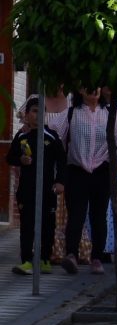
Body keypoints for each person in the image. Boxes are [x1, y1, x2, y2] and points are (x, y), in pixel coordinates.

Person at [60, 88, 117, 275]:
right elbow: (56, 137)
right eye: (88, 86)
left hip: (102, 171)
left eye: (97, 86)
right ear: (80, 90)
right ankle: (71, 254)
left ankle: (97, 257)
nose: (93, 90)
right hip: (76, 170)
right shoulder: (71, 113)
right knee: (76, 214)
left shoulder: (110, 115)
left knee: (99, 215)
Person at [8, 97, 66, 275]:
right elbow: (9, 157)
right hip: (26, 189)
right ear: (27, 114)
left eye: (41, 111)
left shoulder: (51, 136)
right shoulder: (21, 136)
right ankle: (26, 260)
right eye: (34, 111)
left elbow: (62, 160)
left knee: (47, 225)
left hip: (47, 189)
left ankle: (44, 259)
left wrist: (60, 181)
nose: (37, 115)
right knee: (27, 225)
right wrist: (20, 160)